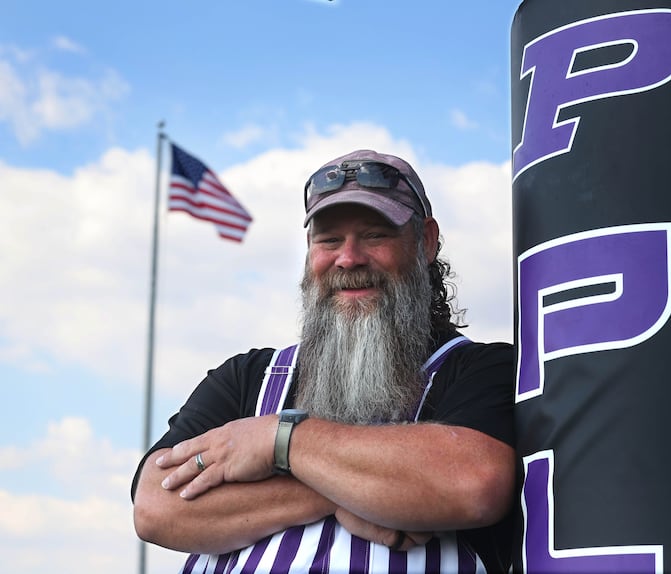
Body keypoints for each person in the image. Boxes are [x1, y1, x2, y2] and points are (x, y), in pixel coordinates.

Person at [131, 149, 516, 573]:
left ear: (424, 241)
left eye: (374, 235)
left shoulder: (482, 369)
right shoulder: (248, 379)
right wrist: (351, 494)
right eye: (329, 240)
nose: (348, 258)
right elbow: (156, 507)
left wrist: (277, 441)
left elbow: (472, 484)